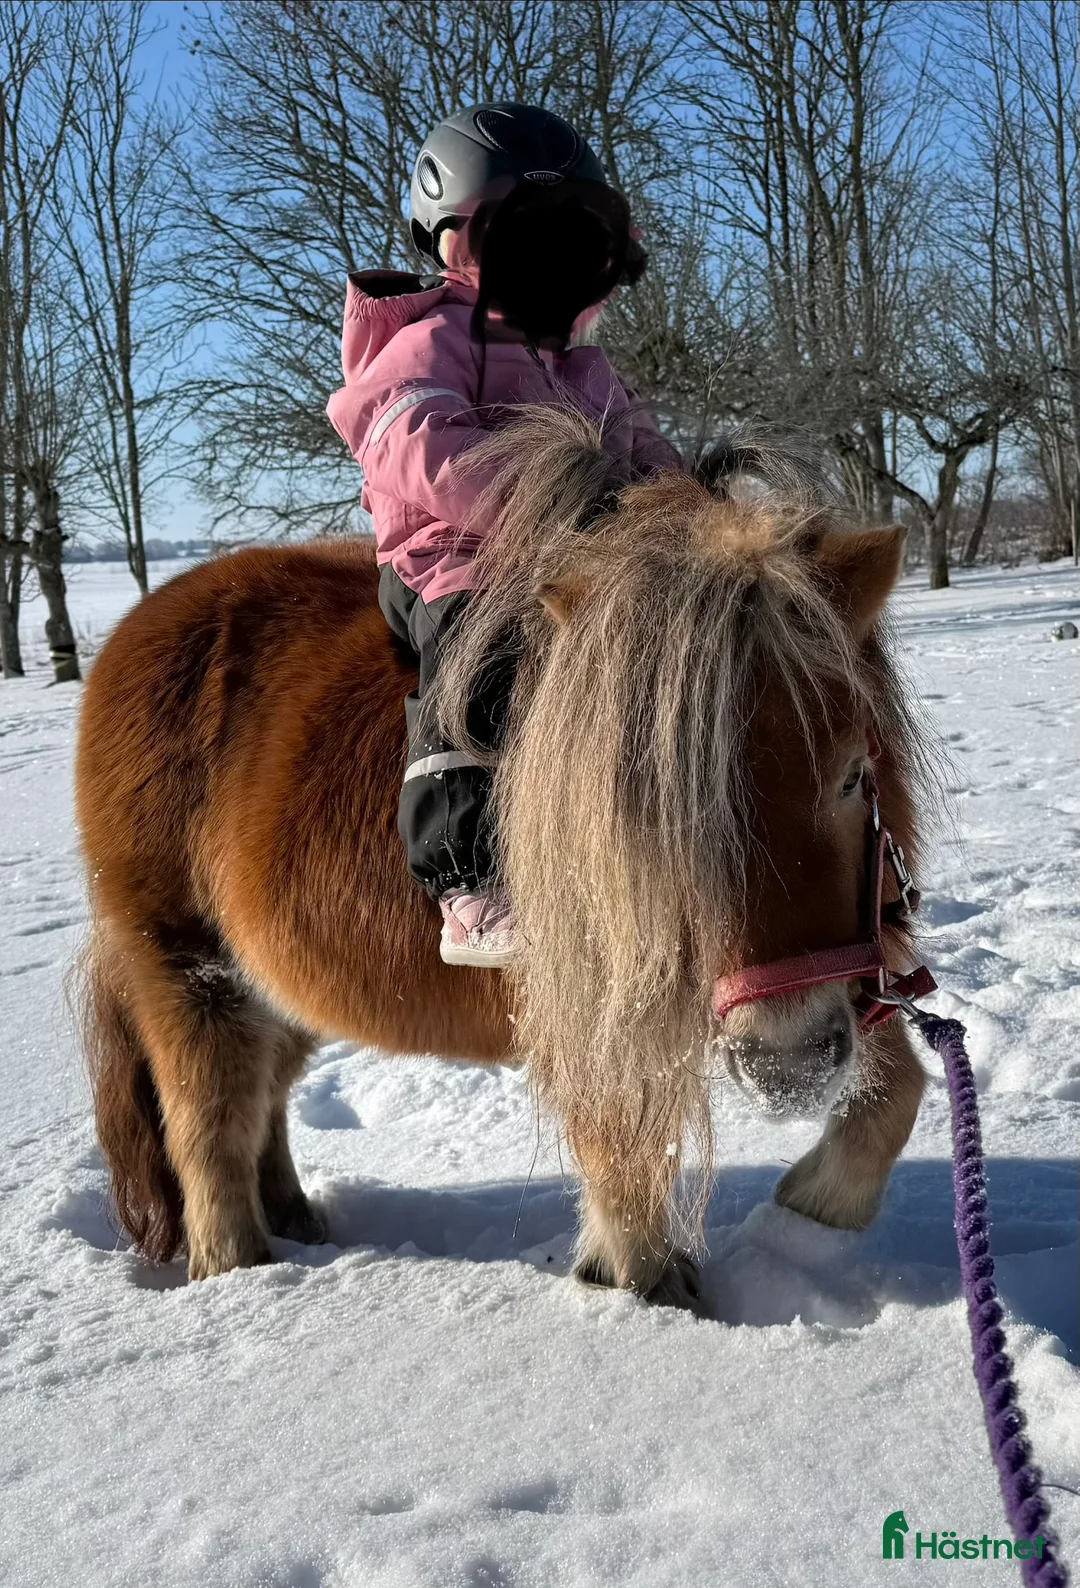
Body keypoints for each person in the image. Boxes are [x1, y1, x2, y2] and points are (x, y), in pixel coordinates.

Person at [327, 102, 682, 968]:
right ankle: (469, 875)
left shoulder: (585, 363)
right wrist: (547, 499)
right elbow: (415, 442)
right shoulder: (433, 339)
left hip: (578, 556)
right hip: (453, 554)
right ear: (454, 245)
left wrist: (690, 513)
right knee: (481, 657)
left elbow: (644, 451)